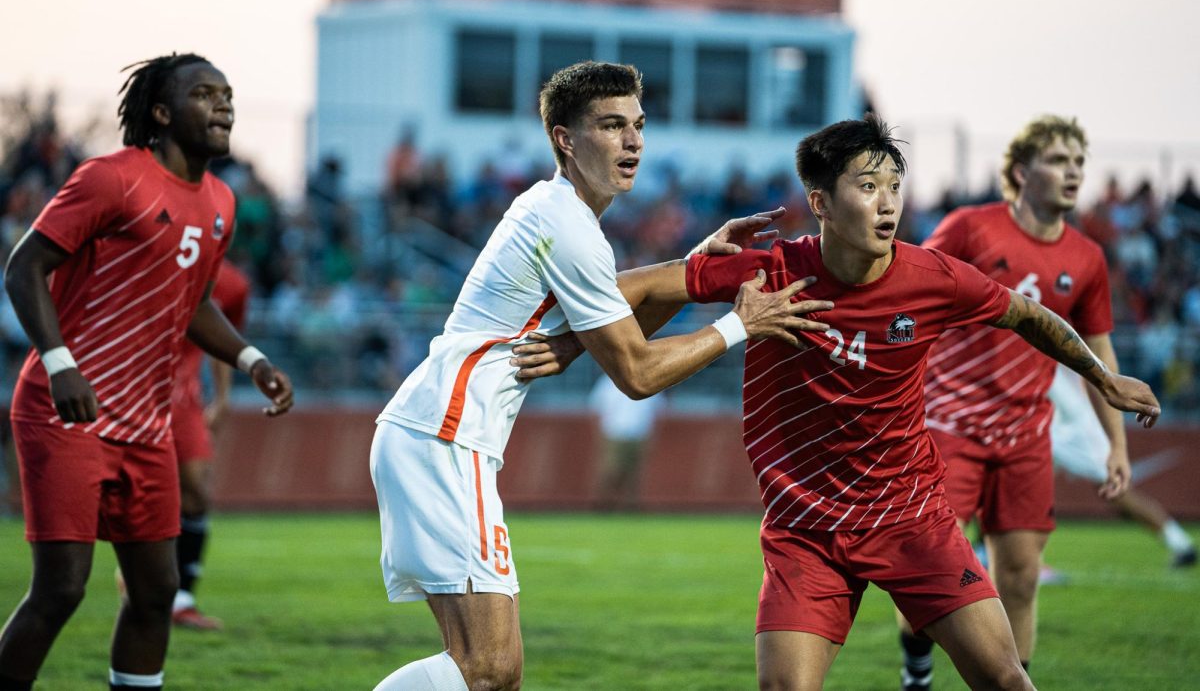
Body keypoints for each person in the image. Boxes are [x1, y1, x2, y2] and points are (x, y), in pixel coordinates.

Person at [516, 114, 1159, 691]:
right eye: (867, 187)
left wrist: (1103, 378)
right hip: (806, 533)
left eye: (894, 188)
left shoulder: (933, 278)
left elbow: (1028, 314)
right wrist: (575, 340)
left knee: (1005, 678)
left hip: (912, 519)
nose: (888, 205)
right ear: (820, 202)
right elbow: (642, 284)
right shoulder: (771, 272)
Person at [367, 61, 831, 691]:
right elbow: (637, 371)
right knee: (490, 669)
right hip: (445, 435)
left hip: (432, 431)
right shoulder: (567, 225)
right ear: (565, 138)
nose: (633, 141)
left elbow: (623, 302)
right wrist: (739, 325)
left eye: (638, 126)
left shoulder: (561, 213)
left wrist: (696, 265)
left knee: (480, 668)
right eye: (612, 126)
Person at [0, 53, 294, 691]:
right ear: (160, 112)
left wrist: (250, 358)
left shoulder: (221, 201)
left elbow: (196, 302)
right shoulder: (112, 179)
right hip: (66, 412)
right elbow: (23, 268)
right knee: (62, 589)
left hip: (145, 423)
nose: (223, 105)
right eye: (205, 94)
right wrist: (59, 364)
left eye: (228, 95)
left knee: (158, 590)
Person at [894, 115, 1145, 689]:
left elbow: (1098, 356)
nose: (1073, 172)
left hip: (1027, 434)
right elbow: (913, 287)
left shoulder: (1088, 259)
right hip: (948, 425)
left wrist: (1117, 443)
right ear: (1020, 171)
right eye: (1059, 160)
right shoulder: (969, 228)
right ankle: (917, 661)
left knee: (1022, 577)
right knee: (931, 577)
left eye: (1079, 163)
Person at [170, 259, 253, 629]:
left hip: (184, 398)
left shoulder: (233, 283)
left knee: (196, 492)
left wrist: (222, 397)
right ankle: (141, 576)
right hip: (131, 387)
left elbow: (224, 339)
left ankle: (181, 598)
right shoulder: (155, 251)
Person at [1048, 364, 1196, 567]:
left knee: (1117, 491)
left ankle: (1179, 542)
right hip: (1053, 419)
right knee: (1024, 488)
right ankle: (1021, 560)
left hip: (1070, 423)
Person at [589, 372, 665, 510]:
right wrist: (600, 434)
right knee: (611, 470)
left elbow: (656, 413)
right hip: (615, 433)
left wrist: (652, 436)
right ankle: (604, 502)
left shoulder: (649, 381)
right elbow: (598, 409)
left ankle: (630, 504)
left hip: (639, 434)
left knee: (634, 473)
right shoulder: (608, 383)